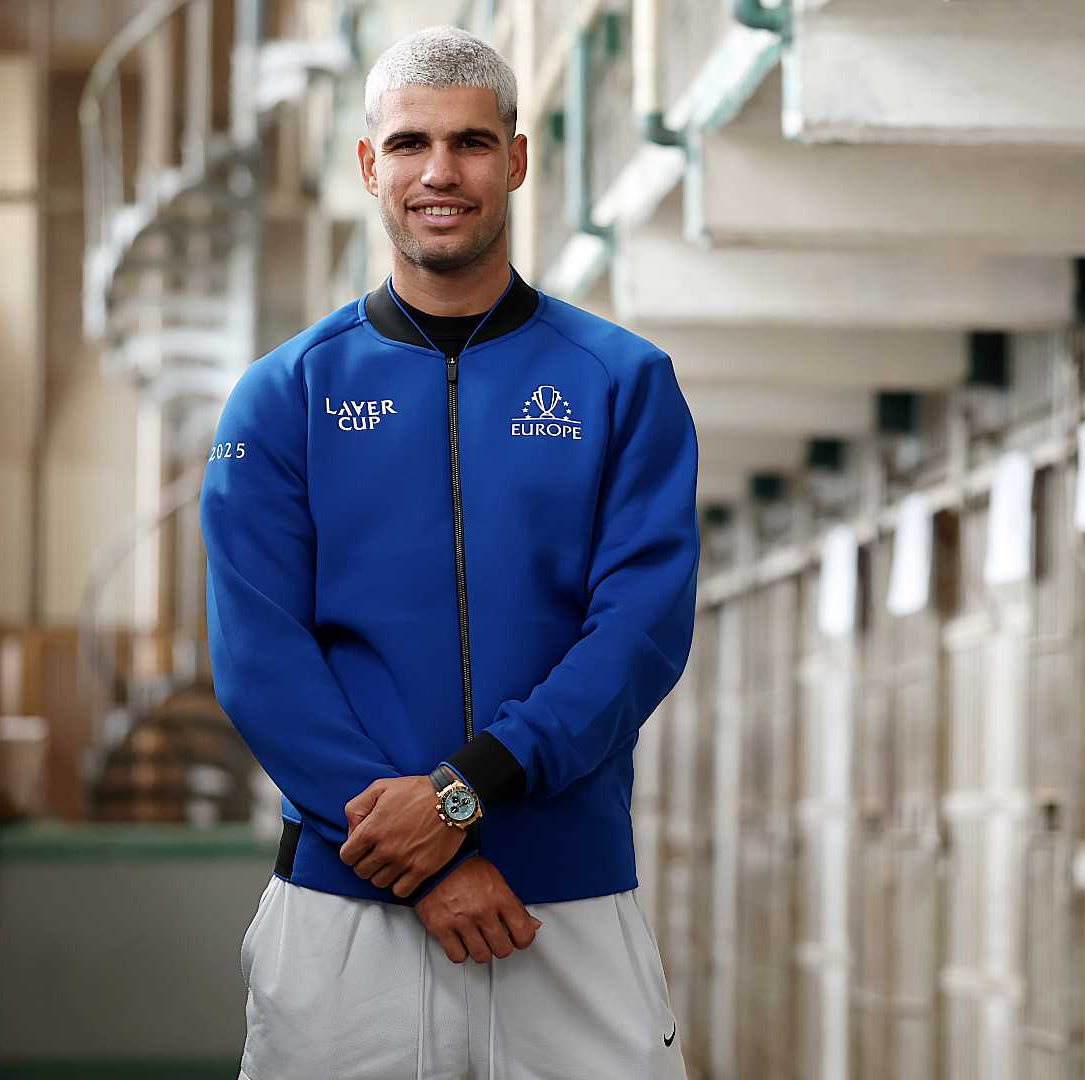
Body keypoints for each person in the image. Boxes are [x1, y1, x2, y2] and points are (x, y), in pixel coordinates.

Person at [200, 24, 696, 1080]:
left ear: (516, 159)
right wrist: (415, 862)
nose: (441, 172)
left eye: (472, 143)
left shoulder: (622, 382)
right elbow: (258, 658)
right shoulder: (286, 395)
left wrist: (465, 794)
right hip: (348, 915)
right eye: (412, 143)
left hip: (562, 906)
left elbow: (640, 634)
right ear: (370, 164)